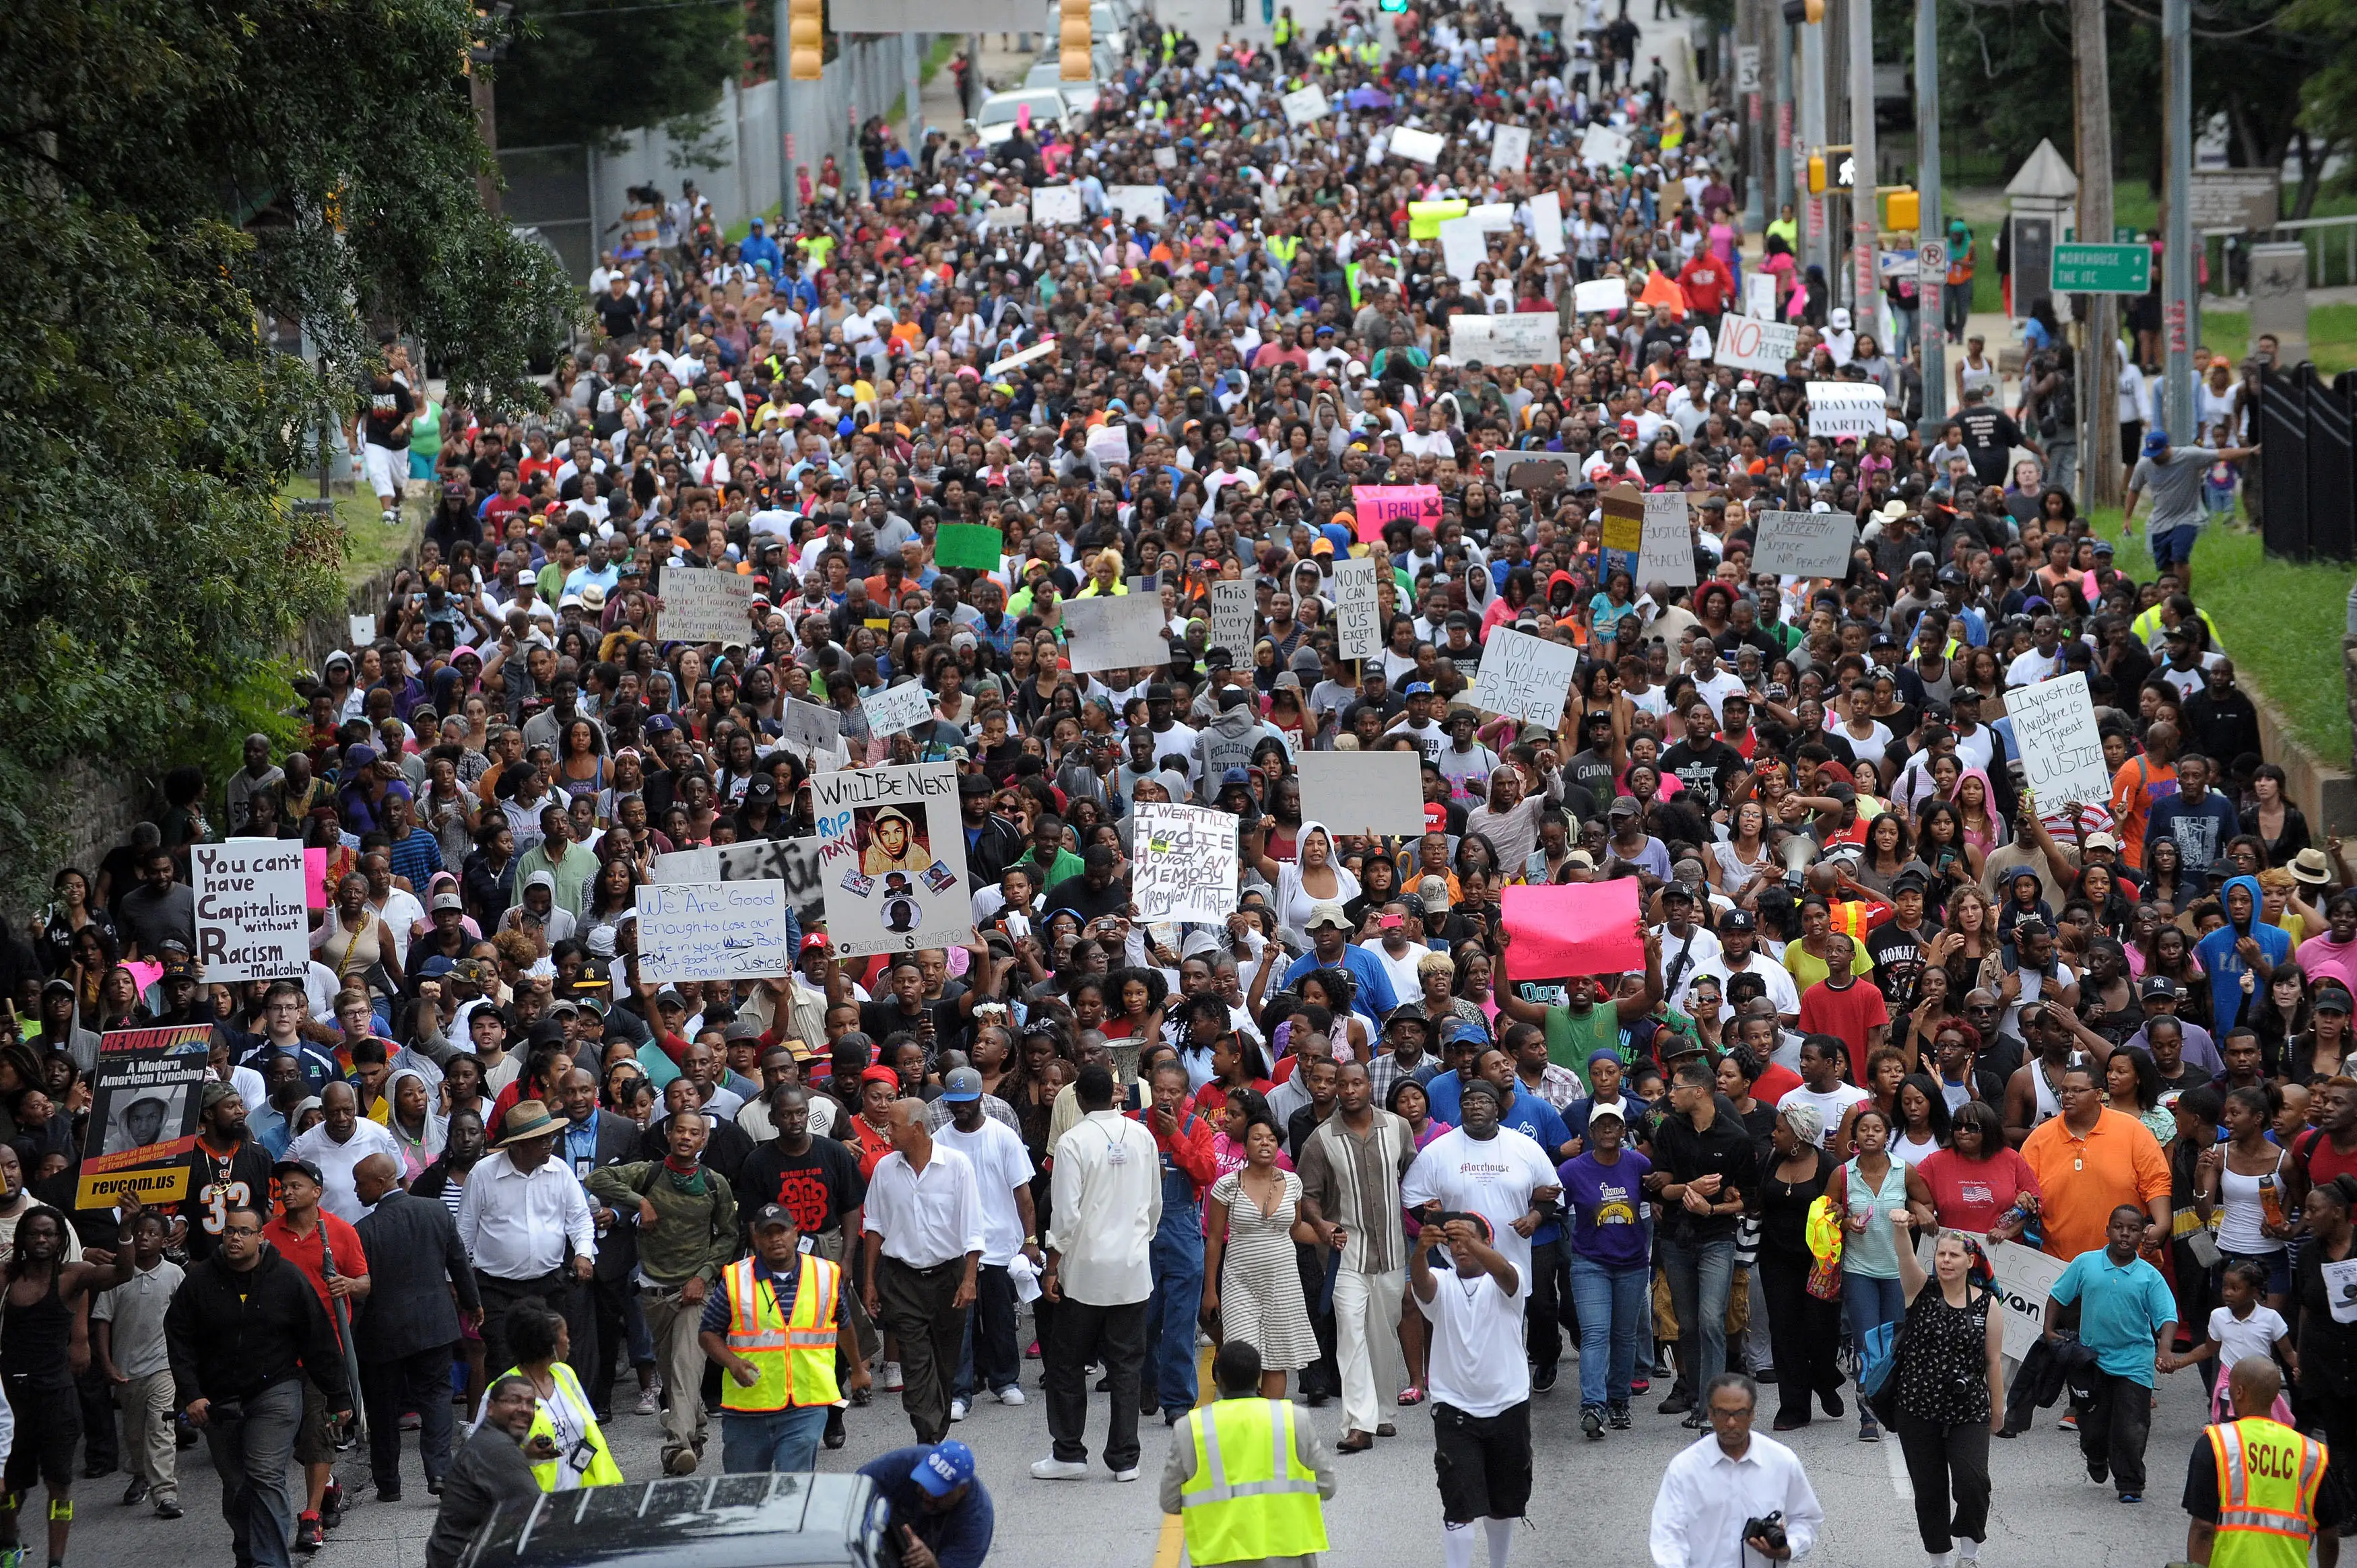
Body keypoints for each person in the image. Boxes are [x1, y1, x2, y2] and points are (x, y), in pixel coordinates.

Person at [165, 1202, 351, 1568]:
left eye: (244, 1232)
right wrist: (192, 1393)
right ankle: (247, 1552)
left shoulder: (287, 1279)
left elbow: (319, 1341)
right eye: (229, 1231)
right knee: (237, 1485)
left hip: (276, 1391)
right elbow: (179, 1338)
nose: (235, 1238)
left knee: (265, 1474)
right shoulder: (200, 1282)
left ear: (260, 1237)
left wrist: (339, 1397)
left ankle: (271, 1562)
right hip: (218, 1398)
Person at [583, 1104, 736, 1474]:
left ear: (704, 1139)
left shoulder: (715, 1183)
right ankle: (695, 1429)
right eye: (679, 1130)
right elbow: (596, 1179)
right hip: (653, 1290)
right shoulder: (648, 1173)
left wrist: (705, 1273)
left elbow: (729, 1235)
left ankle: (676, 1447)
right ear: (668, 1135)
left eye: (694, 1133)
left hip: (695, 1292)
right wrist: (640, 1200)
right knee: (671, 1372)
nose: (686, 1137)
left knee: (685, 1367)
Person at [1035, 1064, 1160, 1482]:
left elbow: (1065, 1216)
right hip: (1132, 1269)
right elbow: (1154, 1203)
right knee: (1126, 1365)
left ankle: (1069, 1453)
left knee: (1067, 1364)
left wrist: (1052, 1266)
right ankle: (1126, 1458)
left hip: (1085, 1273)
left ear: (1078, 1099)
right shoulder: (1142, 1136)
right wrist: (1139, 1242)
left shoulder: (1072, 1142)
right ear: (1115, 1095)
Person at [1296, 1058, 1417, 1452]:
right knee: (1350, 1331)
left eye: (1355, 1084)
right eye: (1342, 1085)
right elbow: (1308, 1197)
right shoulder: (1320, 1139)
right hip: (1345, 1255)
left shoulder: (1397, 1128)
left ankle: (1383, 1412)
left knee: (1382, 1332)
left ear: (1369, 1086)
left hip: (1393, 1253)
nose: (1348, 1091)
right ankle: (1358, 1423)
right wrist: (1322, 1226)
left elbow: (1413, 1178)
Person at [350, 1152, 479, 1503]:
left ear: (381, 1183)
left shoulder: (363, 1231)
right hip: (435, 1325)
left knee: (383, 1407)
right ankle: (439, 1472)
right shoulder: (436, 1212)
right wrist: (473, 1304)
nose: (356, 1189)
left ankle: (389, 1484)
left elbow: (361, 1292)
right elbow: (459, 1264)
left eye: (360, 1182)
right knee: (437, 1398)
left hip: (382, 1334)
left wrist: (351, 1335)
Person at [697, 1202, 863, 1474]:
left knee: (792, 1488)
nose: (776, 1239)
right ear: (757, 1239)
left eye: (782, 1231)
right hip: (748, 1407)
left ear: (795, 1233)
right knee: (745, 1492)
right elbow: (707, 1333)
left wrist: (858, 1370)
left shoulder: (825, 1275)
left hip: (805, 1405)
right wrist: (732, 1363)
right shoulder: (736, 1278)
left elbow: (843, 1325)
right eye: (767, 1234)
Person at [1411, 1213, 1531, 1568]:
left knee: (1502, 1502)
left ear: (1487, 1242)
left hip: (1508, 1403)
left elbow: (1507, 1275)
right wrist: (1420, 1252)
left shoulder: (1507, 1279)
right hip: (1455, 1408)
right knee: (1459, 1503)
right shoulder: (1442, 1282)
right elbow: (1420, 1286)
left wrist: (1474, 1242)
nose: (1460, 1248)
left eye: (1469, 1240)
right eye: (1454, 1242)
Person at [862, 1097, 983, 1449]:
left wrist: (970, 1279)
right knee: (915, 1365)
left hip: (948, 1277)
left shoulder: (957, 1166)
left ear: (917, 1128)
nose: (887, 1132)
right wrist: (869, 1282)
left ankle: (934, 1429)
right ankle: (927, 1436)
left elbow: (973, 1228)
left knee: (945, 1365)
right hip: (902, 1282)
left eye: (893, 1126)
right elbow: (874, 1227)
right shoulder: (885, 1169)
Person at [1645, 1058, 1759, 1424]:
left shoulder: (1735, 1139)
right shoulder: (1669, 1131)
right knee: (1688, 1324)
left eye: (1676, 1088)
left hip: (1717, 1238)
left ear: (1699, 1092)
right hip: (1676, 1238)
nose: (1670, 1095)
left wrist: (1714, 1210)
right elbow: (1662, 1189)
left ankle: (1713, 1405)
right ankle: (1695, 1396)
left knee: (1712, 1321)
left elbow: (1751, 1201)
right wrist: (1689, 1189)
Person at [455, 1099, 597, 1388]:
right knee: (505, 1359)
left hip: (549, 1283)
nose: (550, 1144)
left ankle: (559, 1422)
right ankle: (508, 1427)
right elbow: (463, 1232)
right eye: (541, 1140)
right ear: (518, 1145)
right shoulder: (483, 1174)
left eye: (550, 1137)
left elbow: (580, 1219)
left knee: (557, 1357)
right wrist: (456, 1283)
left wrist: (583, 1254)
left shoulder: (560, 1171)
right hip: (496, 1288)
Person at [2045, 1204, 2180, 1503]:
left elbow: (2167, 1316)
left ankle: (2130, 1483)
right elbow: (2058, 1295)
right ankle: (2095, 1457)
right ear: (2107, 1230)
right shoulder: (2086, 1264)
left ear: (2142, 1235)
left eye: (2133, 1229)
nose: (2125, 1234)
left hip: (2135, 1362)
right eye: (2119, 1227)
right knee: (2093, 1427)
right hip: (2091, 1360)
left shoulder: (2149, 1276)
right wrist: (2049, 1330)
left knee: (2131, 1426)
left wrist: (2165, 1348)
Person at [1890, 1219, 2005, 1566]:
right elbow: (1904, 1255)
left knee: (1973, 1482)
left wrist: (1998, 1408)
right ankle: (1938, 1559)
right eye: (1941, 1253)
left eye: (1955, 1254)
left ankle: (1968, 1555)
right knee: (1929, 1489)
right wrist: (1899, 1228)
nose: (1946, 1260)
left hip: (1968, 1409)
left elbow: (1993, 1361)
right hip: (1916, 1407)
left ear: (1971, 1261)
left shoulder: (1988, 1305)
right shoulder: (1918, 1290)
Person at [1161, 1340, 1337, 1568]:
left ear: (1219, 1379)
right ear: (1258, 1379)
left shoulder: (1190, 1428)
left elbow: (1170, 1501)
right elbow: (1327, 1486)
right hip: (1289, 1555)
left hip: (1220, 1557)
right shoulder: (1292, 1419)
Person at [931, 1066, 1038, 1423]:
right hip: (956, 1246)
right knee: (959, 1322)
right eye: (953, 1103)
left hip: (999, 1245)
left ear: (980, 1099)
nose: (959, 1109)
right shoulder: (940, 1140)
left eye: (966, 1102)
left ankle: (1005, 1381)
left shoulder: (1003, 1136)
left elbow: (1023, 1195)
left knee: (1001, 1319)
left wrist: (1030, 1240)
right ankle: (960, 1392)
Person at [1647, 1373, 1825, 1568]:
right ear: (1710, 1414)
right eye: (1723, 1413)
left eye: (1739, 1413)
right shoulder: (1685, 1468)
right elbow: (1667, 1534)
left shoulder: (1781, 1461)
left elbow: (1806, 1517)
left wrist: (1787, 1548)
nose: (1731, 1423)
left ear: (1752, 1414)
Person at [2179, 1356, 2339, 1567]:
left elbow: (2203, 1527)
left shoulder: (2216, 1443)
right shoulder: (2311, 1454)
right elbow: (2329, 1535)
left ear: (2239, 1392)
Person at [1558, 1103, 1651, 1439]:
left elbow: (1656, 1198)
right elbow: (1553, 1204)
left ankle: (1619, 1400)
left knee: (1624, 1335)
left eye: (1615, 1125)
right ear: (1591, 1132)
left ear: (1624, 1131)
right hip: (1589, 1263)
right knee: (1596, 1334)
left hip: (1632, 1263)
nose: (1608, 1130)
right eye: (1601, 1125)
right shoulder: (1572, 1170)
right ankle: (1593, 1405)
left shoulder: (1639, 1164)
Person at [91, 1207, 183, 1520]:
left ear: (164, 1240)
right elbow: (102, 1320)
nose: (145, 1238)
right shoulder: (118, 1274)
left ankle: (165, 1493)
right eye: (140, 1232)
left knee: (161, 1428)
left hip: (163, 1367)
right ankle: (141, 1475)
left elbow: (186, 1323)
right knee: (133, 1434)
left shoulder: (174, 1275)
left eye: (153, 1233)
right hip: (127, 1369)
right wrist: (106, 1363)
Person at [482, 1296, 621, 1491]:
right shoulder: (501, 1393)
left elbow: (589, 1432)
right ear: (549, 1344)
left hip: (587, 1499)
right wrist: (526, 1457)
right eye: (565, 1335)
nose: (569, 1341)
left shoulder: (565, 1374)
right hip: (535, 1508)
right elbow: (483, 1463)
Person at [424, 1375, 551, 1568]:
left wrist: (525, 1456)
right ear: (490, 1408)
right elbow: (537, 1514)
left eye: (530, 1404)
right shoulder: (498, 1449)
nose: (524, 1409)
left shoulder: (489, 1441)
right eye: (514, 1401)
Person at [855, 1441, 995, 1568]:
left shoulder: (976, 1521)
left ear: (962, 1490)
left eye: (937, 1490)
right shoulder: (909, 1461)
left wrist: (932, 1565)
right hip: (876, 1536)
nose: (927, 1494)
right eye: (925, 1482)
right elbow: (854, 1488)